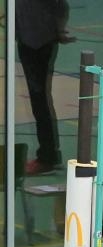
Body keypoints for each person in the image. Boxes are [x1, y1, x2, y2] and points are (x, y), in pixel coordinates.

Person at [15, 0, 76, 175]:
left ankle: (47, 157)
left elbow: (60, 6)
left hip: (39, 42)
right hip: (27, 39)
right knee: (38, 99)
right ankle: (48, 155)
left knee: (39, 99)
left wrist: (59, 29)